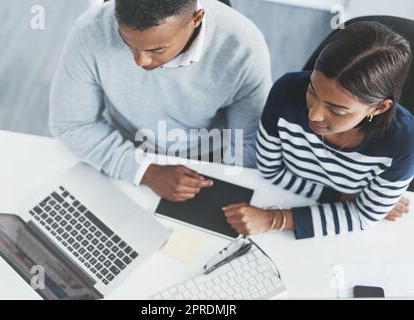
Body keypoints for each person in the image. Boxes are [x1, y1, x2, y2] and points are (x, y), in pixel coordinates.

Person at [49, 0, 272, 202]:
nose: (140, 61)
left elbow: (247, 142)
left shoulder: (244, 48)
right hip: (124, 147)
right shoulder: (90, 32)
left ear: (196, 19)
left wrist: (220, 193)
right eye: (127, 42)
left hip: (208, 162)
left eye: (157, 49)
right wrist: (145, 170)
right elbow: (71, 124)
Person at [223, 21, 414, 239]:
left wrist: (275, 219)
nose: (313, 115)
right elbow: (270, 170)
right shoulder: (286, 92)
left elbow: (363, 217)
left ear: (379, 107)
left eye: (337, 109)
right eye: (312, 90)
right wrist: (342, 198)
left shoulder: (404, 143)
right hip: (281, 194)